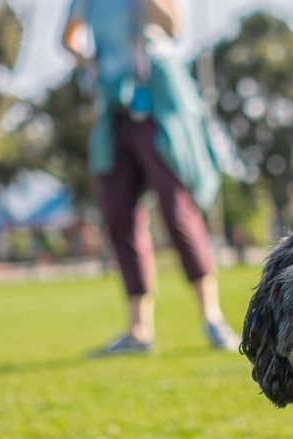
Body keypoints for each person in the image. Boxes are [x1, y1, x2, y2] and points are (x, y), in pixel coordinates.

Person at [62, 0, 239, 353]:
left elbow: (174, 27)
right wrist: (92, 64)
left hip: (158, 101)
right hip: (114, 106)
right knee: (119, 217)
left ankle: (213, 319)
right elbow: (69, 39)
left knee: (176, 211)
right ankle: (138, 330)